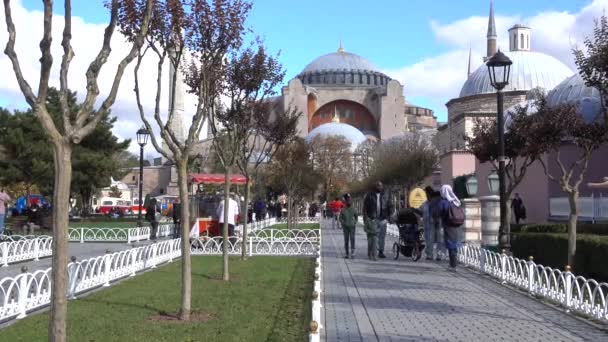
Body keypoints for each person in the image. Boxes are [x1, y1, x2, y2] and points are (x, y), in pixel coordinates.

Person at [363, 181, 394, 260]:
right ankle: (372, 252)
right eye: (378, 186)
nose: (379, 187)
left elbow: (390, 205)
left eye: (381, 186)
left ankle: (380, 251)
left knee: (382, 236)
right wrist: (365, 218)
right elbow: (365, 207)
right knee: (373, 237)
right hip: (372, 218)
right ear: (375, 187)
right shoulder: (369, 195)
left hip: (382, 218)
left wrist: (390, 216)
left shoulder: (385, 195)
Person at [437, 185, 462, 269]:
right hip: (457, 225)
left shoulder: (443, 202)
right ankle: (454, 262)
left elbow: (439, 212)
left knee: (451, 244)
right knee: (455, 244)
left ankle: (453, 264)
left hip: (448, 226)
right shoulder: (456, 201)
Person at [422, 187, 444, 261]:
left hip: (432, 221)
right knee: (439, 239)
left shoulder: (430, 201)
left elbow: (428, 212)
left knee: (430, 238)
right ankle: (439, 255)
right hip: (440, 221)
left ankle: (430, 255)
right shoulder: (440, 200)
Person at [339, 194, 358, 259]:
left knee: (352, 239)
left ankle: (352, 252)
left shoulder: (354, 209)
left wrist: (354, 222)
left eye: (350, 201)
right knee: (346, 239)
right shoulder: (343, 209)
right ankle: (347, 253)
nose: (349, 202)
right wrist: (343, 223)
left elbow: (356, 217)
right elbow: (340, 218)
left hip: (352, 227)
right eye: (348, 201)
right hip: (345, 227)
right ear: (346, 202)